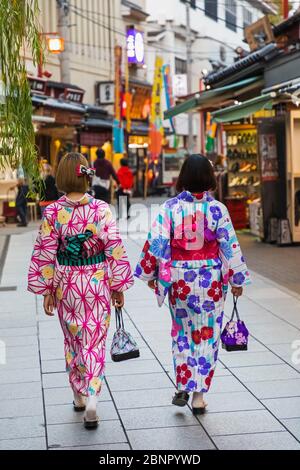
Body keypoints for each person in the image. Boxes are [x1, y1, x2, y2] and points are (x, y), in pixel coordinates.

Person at [134, 154, 250, 414]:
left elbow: (157, 243)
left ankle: (184, 384)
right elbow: (230, 247)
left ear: (183, 177)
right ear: (210, 179)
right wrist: (237, 279)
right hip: (210, 280)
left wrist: (151, 275)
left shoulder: (170, 208)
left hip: (179, 280)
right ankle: (199, 395)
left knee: (182, 334)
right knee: (207, 336)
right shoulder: (217, 209)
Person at [27, 152, 134, 429]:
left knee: (74, 339)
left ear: (62, 177)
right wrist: (118, 285)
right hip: (97, 280)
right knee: (95, 340)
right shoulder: (101, 209)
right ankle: (93, 399)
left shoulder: (52, 212)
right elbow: (114, 248)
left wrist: (47, 290)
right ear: (87, 176)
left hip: (67, 284)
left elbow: (45, 253)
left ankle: (78, 393)